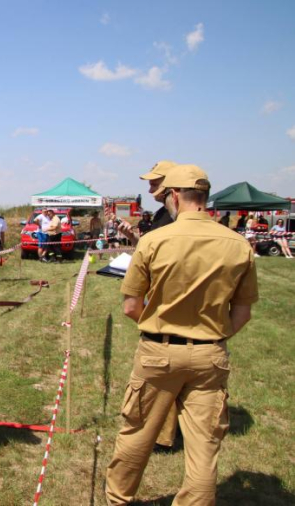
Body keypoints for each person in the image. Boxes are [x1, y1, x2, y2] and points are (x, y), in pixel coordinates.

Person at [106, 164, 258, 505]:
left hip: (158, 352)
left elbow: (131, 307)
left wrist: (162, 329)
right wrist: (212, 336)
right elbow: (243, 312)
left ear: (174, 196)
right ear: (203, 197)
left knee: (137, 435)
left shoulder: (153, 240)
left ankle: (118, 499)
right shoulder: (238, 244)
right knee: (204, 448)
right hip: (211, 356)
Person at [117, 161, 181, 451]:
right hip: (162, 301)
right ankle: (165, 432)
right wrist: (132, 237)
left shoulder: (174, 218)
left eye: (155, 182)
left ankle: (160, 436)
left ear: (172, 185)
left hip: (166, 306)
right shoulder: (162, 214)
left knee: (160, 376)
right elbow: (151, 250)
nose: (149, 187)